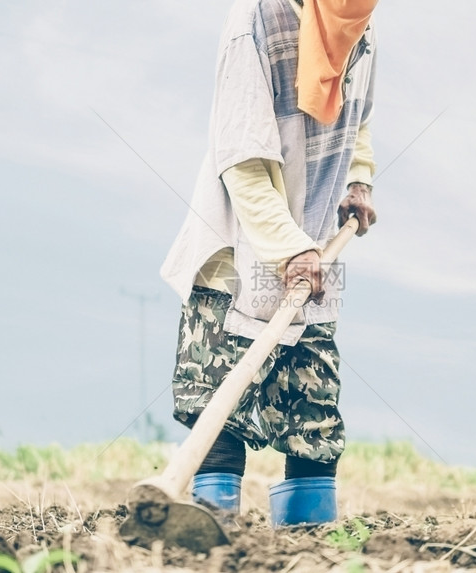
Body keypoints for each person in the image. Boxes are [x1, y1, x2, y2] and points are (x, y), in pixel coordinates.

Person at [160, 0, 378, 527]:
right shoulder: (252, 23)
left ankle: (311, 550)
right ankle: (214, 543)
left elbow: (359, 117)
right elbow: (241, 159)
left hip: (313, 257)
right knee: (220, 420)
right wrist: (288, 249)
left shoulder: (356, 21)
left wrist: (358, 180)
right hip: (237, 259)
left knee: (315, 424)